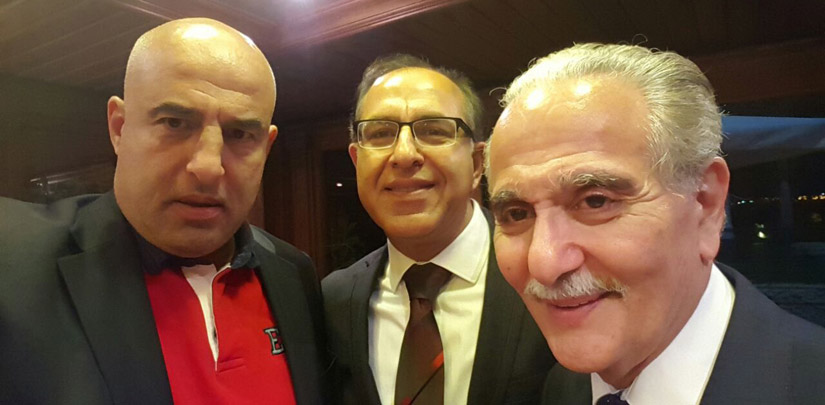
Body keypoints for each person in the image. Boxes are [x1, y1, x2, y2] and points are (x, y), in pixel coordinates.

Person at [0, 18, 328, 404]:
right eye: (175, 123)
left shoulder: (293, 274)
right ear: (119, 128)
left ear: (266, 148)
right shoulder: (11, 260)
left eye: (240, 134)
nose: (208, 167)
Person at [485, 42, 825, 404]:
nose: (544, 263)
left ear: (706, 204)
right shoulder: (562, 386)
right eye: (516, 214)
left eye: (596, 201)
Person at [322, 54, 553, 405]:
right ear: (356, 161)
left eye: (433, 131)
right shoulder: (335, 300)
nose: (403, 155)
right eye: (380, 133)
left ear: (476, 164)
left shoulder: (546, 272)